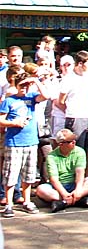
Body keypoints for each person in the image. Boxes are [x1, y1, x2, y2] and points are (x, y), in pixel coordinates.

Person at [0, 71, 50, 216]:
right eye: (22, 85)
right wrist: (14, 123)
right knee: (11, 173)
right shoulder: (9, 101)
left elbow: (46, 96)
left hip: (31, 142)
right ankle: (9, 203)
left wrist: (36, 81)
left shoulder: (32, 98)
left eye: (27, 85)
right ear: (16, 85)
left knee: (28, 174)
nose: (24, 88)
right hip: (14, 142)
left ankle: (27, 200)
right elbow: (1, 119)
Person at [35, 128, 88, 212]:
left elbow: (80, 173)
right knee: (41, 190)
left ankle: (64, 202)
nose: (74, 142)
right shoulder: (51, 156)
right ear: (60, 144)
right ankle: (76, 200)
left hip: (74, 184)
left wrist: (78, 189)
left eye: (74, 140)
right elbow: (54, 179)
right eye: (70, 141)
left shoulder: (80, 151)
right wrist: (64, 194)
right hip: (58, 187)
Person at [58, 50, 88, 164]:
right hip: (75, 116)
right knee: (76, 148)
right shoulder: (68, 78)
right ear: (80, 64)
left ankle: (87, 173)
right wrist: (70, 112)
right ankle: (75, 175)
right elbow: (60, 101)